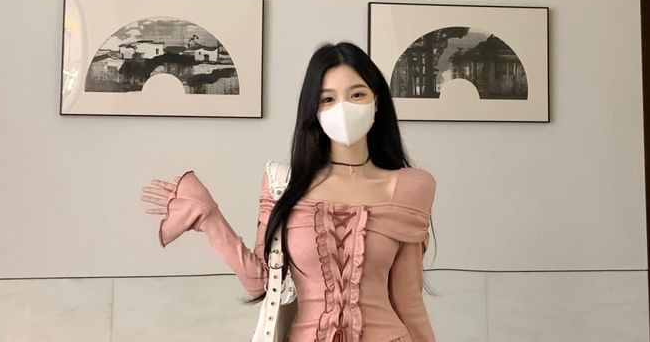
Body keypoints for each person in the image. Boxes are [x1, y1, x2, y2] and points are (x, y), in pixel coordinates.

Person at [140, 41, 436, 341]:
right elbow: (260, 282)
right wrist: (209, 217)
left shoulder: (412, 187)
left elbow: (408, 300)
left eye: (357, 94)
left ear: (377, 100)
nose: (343, 108)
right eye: (328, 99)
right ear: (313, 110)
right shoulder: (282, 184)